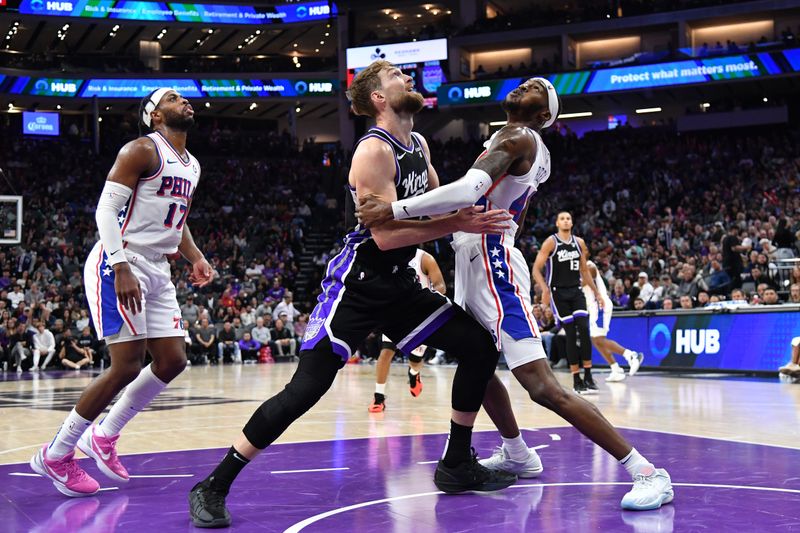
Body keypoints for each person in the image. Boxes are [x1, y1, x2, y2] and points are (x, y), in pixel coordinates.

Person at [189, 60, 516, 528]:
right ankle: (213, 484)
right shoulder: (373, 152)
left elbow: (445, 202)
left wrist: (500, 181)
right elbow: (383, 236)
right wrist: (452, 223)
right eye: (396, 75)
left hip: (401, 285)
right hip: (357, 284)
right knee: (305, 390)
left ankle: (456, 462)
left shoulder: (418, 144)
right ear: (379, 99)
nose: (407, 76)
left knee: (479, 347)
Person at [357, 76, 673, 512]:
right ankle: (518, 452)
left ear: (544, 115)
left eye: (537, 89)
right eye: (527, 82)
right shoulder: (516, 143)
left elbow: (469, 192)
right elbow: (489, 209)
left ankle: (646, 471)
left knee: (542, 386)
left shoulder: (520, 136)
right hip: (476, 259)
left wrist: (392, 208)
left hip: (492, 265)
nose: (526, 85)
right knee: (477, 358)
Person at [31, 88, 214, 498]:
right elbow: (104, 211)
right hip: (121, 259)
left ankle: (104, 435)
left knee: (172, 360)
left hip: (158, 265)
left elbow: (176, 221)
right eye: (171, 98)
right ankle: (57, 453)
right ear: (154, 116)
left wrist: (196, 257)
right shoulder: (140, 150)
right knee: (126, 364)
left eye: (183, 97)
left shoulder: (193, 165)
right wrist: (121, 265)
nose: (183, 100)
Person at [369, 248, 446, 412]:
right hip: (395, 314)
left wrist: (426, 300)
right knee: (386, 353)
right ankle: (378, 398)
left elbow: (441, 286)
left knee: (415, 359)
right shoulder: (390, 257)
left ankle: (413, 373)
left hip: (419, 315)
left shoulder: (425, 258)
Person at [535, 211, 603, 394]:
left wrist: (597, 293)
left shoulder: (579, 243)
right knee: (571, 333)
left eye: (568, 218)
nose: (566, 221)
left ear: (572, 223)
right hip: (558, 292)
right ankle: (576, 379)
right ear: (557, 223)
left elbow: (584, 270)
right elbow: (536, 269)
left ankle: (588, 375)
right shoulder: (551, 242)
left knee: (584, 328)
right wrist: (545, 288)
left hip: (576, 290)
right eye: (562, 218)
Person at [584, 261, 644, 382]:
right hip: (593, 307)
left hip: (599, 305)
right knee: (596, 340)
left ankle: (632, 355)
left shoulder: (589, 266)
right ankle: (615, 369)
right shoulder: (577, 269)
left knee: (599, 339)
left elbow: (584, 280)